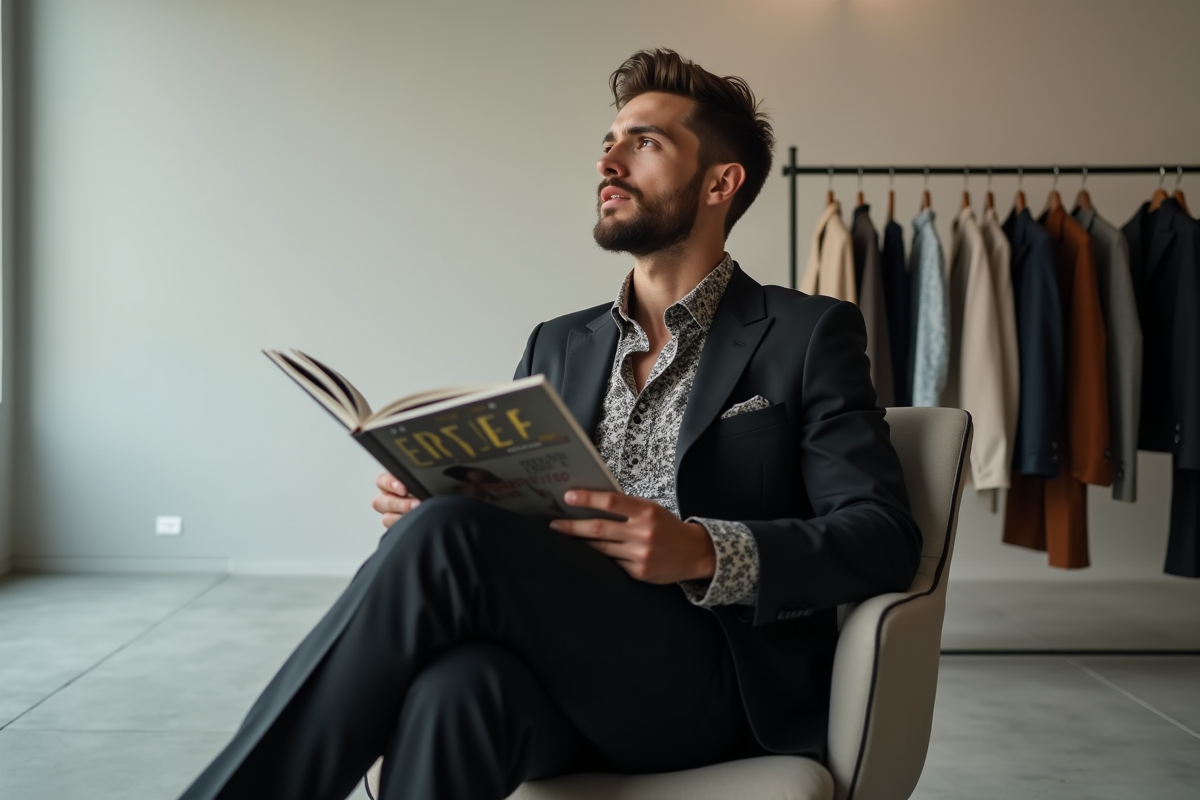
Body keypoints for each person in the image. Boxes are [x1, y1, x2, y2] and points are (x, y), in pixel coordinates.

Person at [179, 48, 921, 800]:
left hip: (715, 685)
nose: (611, 157)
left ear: (720, 184)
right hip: (570, 678)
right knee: (457, 689)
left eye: (646, 141)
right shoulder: (558, 342)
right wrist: (436, 497)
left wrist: (700, 550)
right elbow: (521, 518)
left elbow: (882, 538)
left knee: (450, 538)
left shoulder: (807, 332)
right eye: (609, 140)